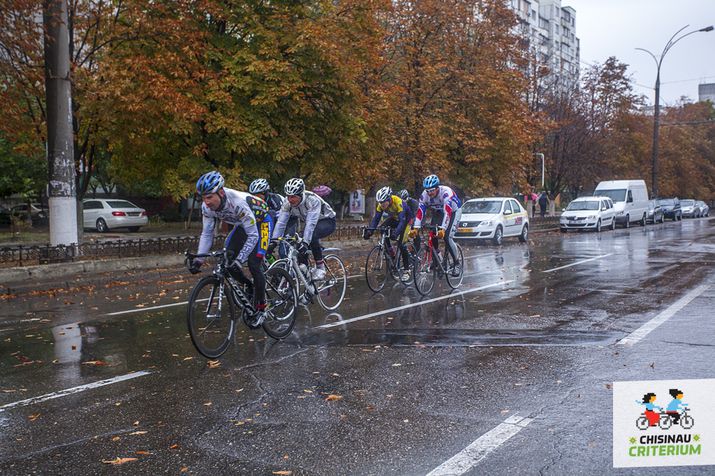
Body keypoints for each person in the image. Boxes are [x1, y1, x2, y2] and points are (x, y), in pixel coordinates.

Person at [191, 171, 273, 326]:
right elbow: (207, 234)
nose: (206, 202)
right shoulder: (206, 208)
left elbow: (254, 236)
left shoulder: (237, 202)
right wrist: (199, 259)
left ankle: (262, 307)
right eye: (203, 197)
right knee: (228, 259)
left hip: (262, 223)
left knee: (254, 263)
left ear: (221, 193)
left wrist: (241, 259)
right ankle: (249, 286)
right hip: (243, 224)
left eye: (209, 197)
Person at [271, 178, 336, 280]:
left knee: (311, 236)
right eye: (288, 196)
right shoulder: (287, 203)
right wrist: (274, 241)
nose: (290, 199)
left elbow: (311, 223)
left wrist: (306, 242)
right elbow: (281, 223)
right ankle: (305, 271)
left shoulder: (312, 200)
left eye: (293, 197)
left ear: (301, 195)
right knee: (298, 242)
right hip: (311, 223)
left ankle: (320, 267)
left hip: (327, 221)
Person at [408, 174, 462, 275]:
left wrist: (443, 229)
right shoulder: (424, 195)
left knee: (447, 237)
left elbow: (447, 212)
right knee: (432, 235)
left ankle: (456, 263)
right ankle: (439, 260)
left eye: (432, 190)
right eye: (427, 191)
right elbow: (420, 212)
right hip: (439, 212)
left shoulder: (446, 193)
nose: (429, 193)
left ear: (437, 188)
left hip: (454, 211)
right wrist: (415, 228)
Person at [363, 186, 413, 280]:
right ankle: (392, 253)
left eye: (383, 202)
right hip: (395, 219)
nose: (381, 205)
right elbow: (376, 219)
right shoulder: (381, 205)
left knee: (401, 243)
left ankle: (407, 270)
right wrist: (370, 231)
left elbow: (402, 221)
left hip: (406, 221)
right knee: (382, 229)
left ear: (389, 199)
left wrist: (396, 233)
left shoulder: (398, 202)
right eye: (379, 203)